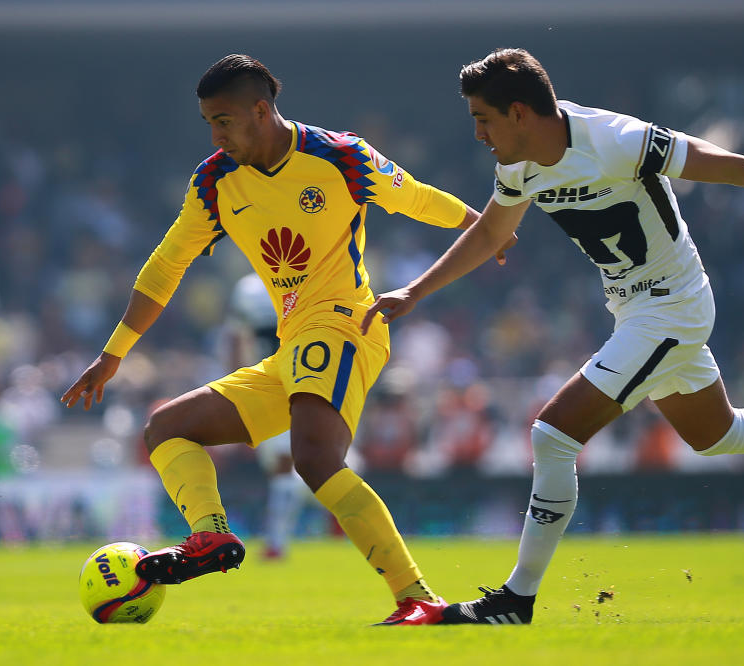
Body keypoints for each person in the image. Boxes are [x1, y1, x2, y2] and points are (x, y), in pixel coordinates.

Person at [361, 48, 744, 625]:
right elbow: (492, 230)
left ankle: (516, 599)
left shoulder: (616, 139)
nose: (477, 133)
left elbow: (726, 163)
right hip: (635, 311)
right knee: (717, 433)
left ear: (520, 112)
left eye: (484, 118)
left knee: (552, 435)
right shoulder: (516, 164)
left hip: (673, 305)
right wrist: (415, 292)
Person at [61, 54, 511, 625]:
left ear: (261, 109)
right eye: (207, 122)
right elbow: (166, 263)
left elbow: (417, 197)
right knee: (166, 428)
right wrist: (112, 353)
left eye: (224, 119)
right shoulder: (214, 182)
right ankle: (210, 538)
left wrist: (483, 228)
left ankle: (416, 596)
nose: (215, 134)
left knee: (315, 458)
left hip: (348, 324)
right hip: (291, 347)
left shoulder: (341, 157)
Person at [223, 271, 313, 559]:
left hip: (299, 381)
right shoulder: (249, 288)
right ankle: (281, 534)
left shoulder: (306, 277)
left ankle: (276, 542)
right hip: (266, 382)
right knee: (281, 465)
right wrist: (238, 385)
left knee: (286, 463)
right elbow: (236, 339)